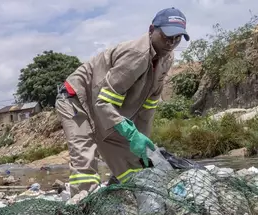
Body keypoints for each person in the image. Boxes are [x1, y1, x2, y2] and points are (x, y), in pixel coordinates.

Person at [55, 8, 190, 197]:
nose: (171, 42)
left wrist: (142, 141)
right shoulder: (137, 55)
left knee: (131, 160)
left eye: (177, 38)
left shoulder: (166, 58)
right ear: (152, 29)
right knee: (85, 156)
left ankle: (127, 197)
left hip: (101, 103)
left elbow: (148, 107)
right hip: (76, 99)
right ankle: (81, 206)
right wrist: (130, 132)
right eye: (167, 36)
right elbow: (103, 103)